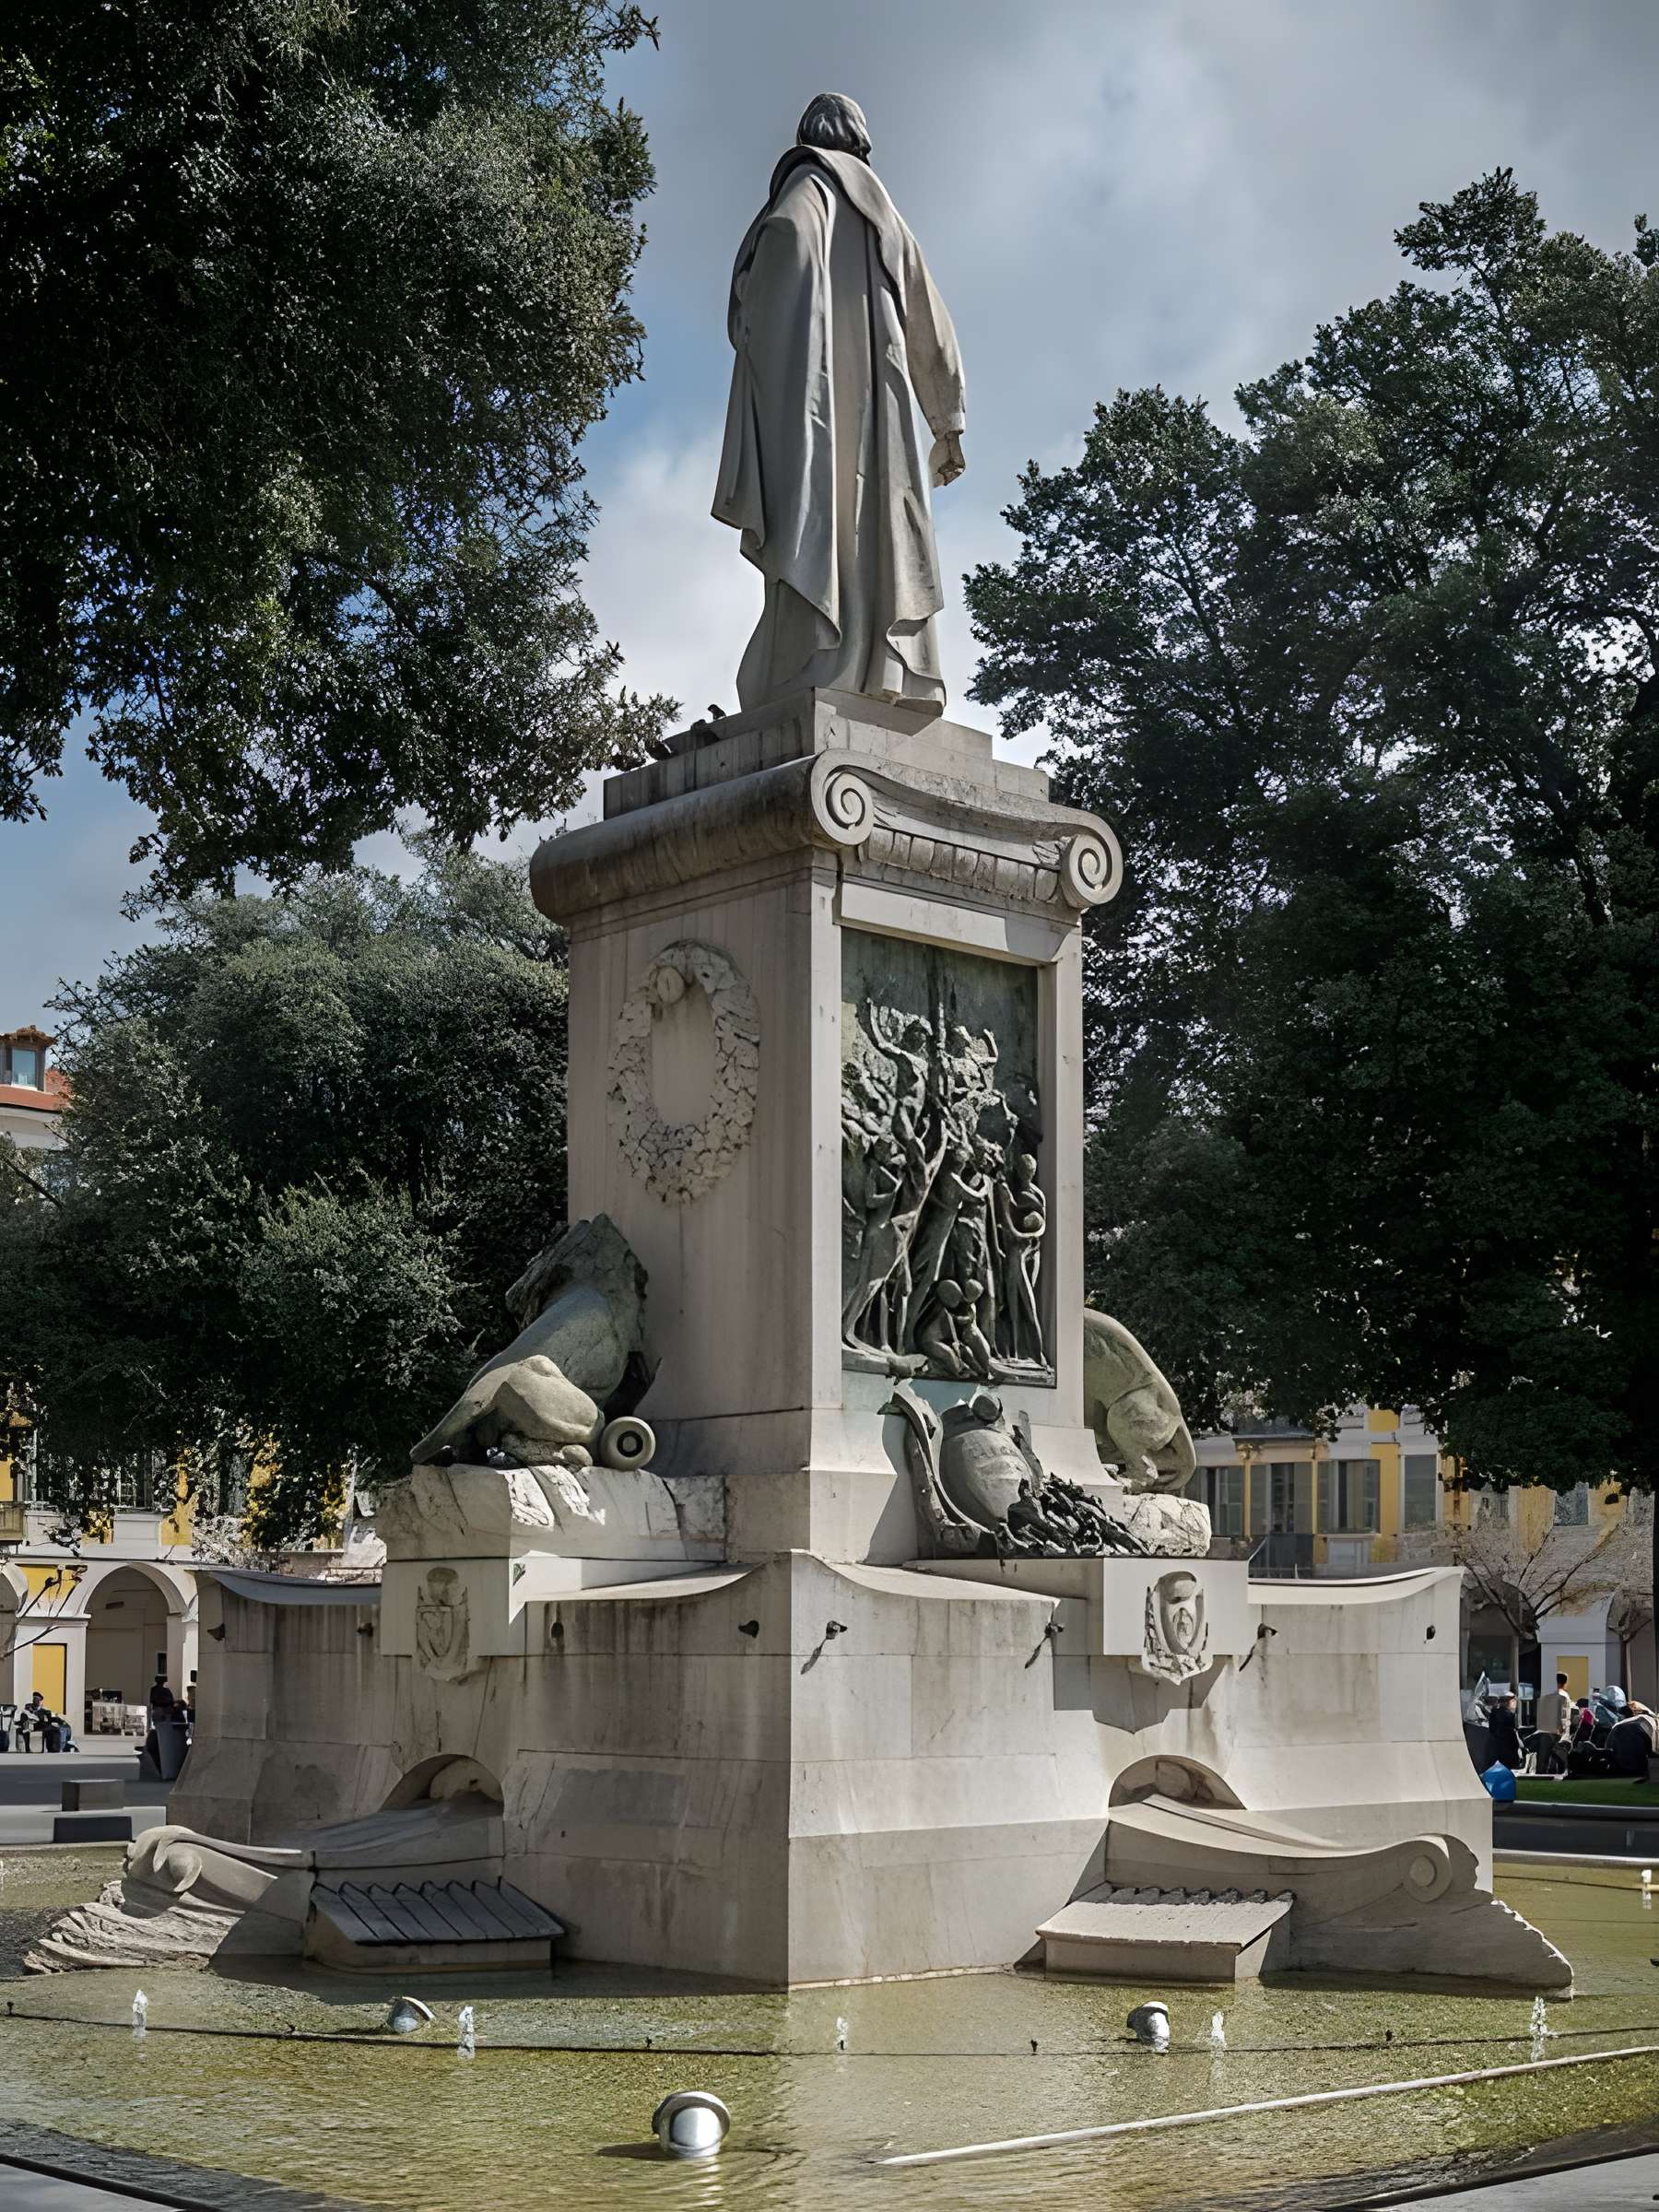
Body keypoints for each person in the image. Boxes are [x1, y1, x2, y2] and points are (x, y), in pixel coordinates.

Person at [1531, 1672, 1573, 1775]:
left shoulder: (1549, 1694)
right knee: (1552, 1753)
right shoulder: (1563, 1695)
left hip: (1546, 1729)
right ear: (1565, 1683)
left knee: (1544, 1755)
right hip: (1556, 1730)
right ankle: (1553, 1771)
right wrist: (1562, 1728)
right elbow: (1561, 1713)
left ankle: (1542, 1773)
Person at [1607, 1701, 1657, 1782]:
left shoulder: (1618, 1727)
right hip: (1638, 1767)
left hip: (1619, 1768)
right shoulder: (1643, 1721)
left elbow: (1608, 1747)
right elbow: (1648, 1742)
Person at [1487, 1692, 1524, 1771]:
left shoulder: (1494, 1713)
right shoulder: (1509, 1714)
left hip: (1497, 1745)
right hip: (1508, 1745)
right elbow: (1512, 1730)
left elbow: (1491, 1729)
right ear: (1507, 1703)